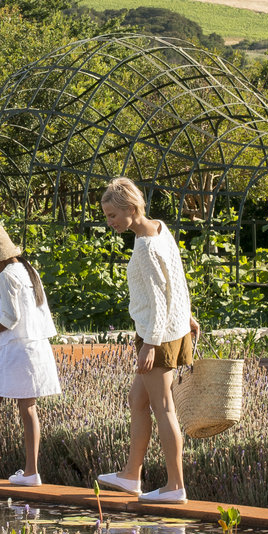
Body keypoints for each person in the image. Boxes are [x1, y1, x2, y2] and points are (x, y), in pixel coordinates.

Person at [96, 176, 198, 503]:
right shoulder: (160, 229)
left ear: (130, 208)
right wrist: (187, 316)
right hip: (171, 328)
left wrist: (150, 344)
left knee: (164, 407)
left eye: (112, 215)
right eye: (107, 216)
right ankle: (130, 475)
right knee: (137, 401)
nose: (109, 222)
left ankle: (175, 486)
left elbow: (157, 298)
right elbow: (176, 280)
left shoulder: (144, 246)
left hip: (159, 336)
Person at [0, 224, 60, 484]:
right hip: (34, 346)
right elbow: (26, 305)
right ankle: (31, 471)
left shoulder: (9, 274)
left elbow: (11, 319)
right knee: (27, 408)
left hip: (15, 348)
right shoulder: (26, 270)